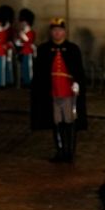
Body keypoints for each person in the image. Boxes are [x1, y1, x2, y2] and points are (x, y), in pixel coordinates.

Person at [30, 18, 87, 162]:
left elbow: (79, 71)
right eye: (54, 30)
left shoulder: (73, 49)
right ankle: (60, 151)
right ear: (51, 32)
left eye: (60, 30)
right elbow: (39, 73)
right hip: (53, 93)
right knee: (56, 123)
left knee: (69, 121)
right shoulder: (43, 49)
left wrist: (77, 83)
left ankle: (70, 152)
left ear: (65, 32)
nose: (57, 33)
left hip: (68, 93)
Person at [14, 8, 37, 87]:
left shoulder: (30, 32)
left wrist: (21, 35)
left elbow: (28, 40)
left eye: (24, 22)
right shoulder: (22, 32)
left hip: (29, 52)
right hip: (22, 52)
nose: (22, 24)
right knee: (23, 68)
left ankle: (29, 82)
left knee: (28, 68)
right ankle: (24, 81)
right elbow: (20, 42)